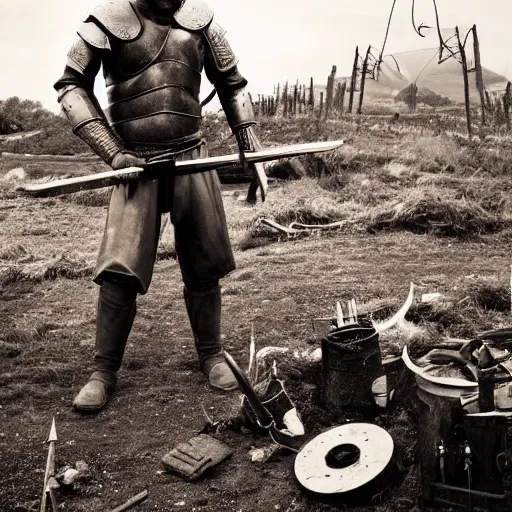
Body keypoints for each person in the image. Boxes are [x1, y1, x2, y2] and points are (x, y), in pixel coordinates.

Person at [54, 0, 267, 412]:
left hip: (192, 157)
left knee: (204, 262)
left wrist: (248, 140)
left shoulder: (202, 23)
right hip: (135, 163)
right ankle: (104, 371)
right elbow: (71, 87)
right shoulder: (107, 21)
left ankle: (211, 353)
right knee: (120, 270)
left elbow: (232, 83)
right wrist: (114, 153)